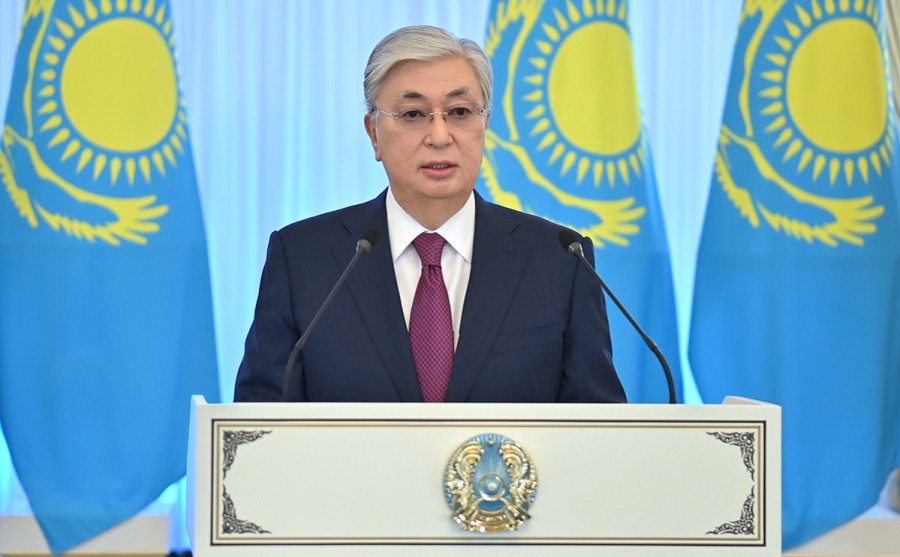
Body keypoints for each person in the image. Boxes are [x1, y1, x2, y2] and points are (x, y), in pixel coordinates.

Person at [234, 25, 626, 403]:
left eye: (459, 111)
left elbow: (599, 427)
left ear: (485, 124)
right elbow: (257, 424)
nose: (439, 137)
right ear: (373, 133)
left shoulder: (560, 260)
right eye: (412, 114)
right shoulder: (303, 258)